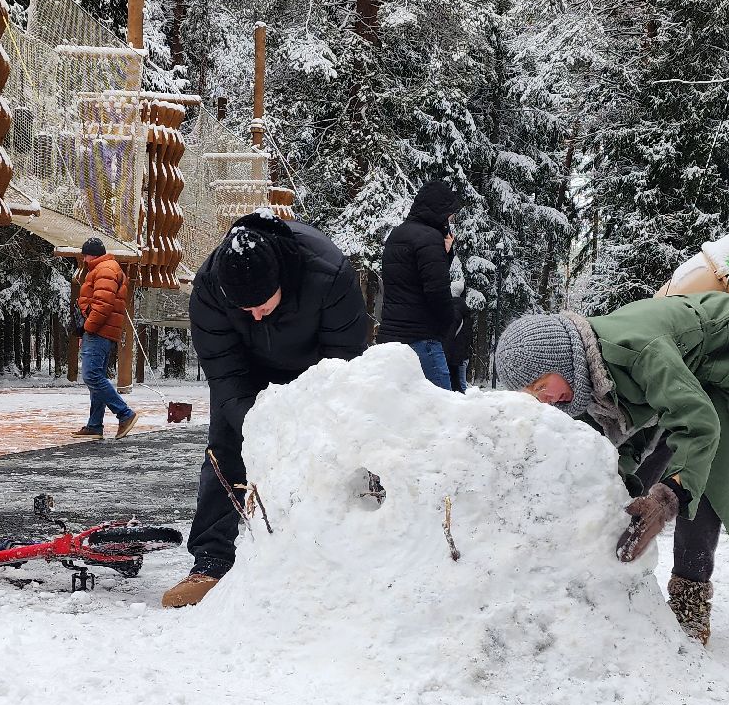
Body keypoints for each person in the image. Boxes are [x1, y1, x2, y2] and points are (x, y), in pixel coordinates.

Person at [492, 292, 729, 647]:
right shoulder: (591, 370)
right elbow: (623, 434)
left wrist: (668, 498)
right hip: (691, 369)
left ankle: (690, 599)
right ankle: (617, 555)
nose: (546, 401)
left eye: (543, 386)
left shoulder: (639, 353)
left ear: (561, 357)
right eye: (534, 396)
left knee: (704, 470)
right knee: (649, 453)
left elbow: (699, 426)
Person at [162, 211, 369, 608]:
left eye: (261, 305)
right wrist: (256, 425)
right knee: (225, 450)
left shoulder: (329, 274)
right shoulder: (209, 289)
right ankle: (211, 561)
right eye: (244, 309)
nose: (255, 315)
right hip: (246, 370)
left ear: (281, 282)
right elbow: (225, 372)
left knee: (324, 452)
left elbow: (343, 364)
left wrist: (307, 422)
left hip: (316, 369)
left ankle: (322, 553)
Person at [377, 179, 462, 389]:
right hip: (422, 338)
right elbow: (437, 289)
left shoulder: (397, 234)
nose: (450, 220)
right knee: (440, 402)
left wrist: (445, 253)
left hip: (391, 336)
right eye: (450, 215)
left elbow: (410, 279)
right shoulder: (430, 238)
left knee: (401, 401)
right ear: (439, 210)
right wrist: (449, 321)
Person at [73, 237, 138, 439]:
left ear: (91, 255)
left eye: (85, 255)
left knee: (91, 375)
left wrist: (88, 328)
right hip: (102, 331)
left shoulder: (105, 269)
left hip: (98, 331)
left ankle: (125, 414)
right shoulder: (105, 268)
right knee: (97, 376)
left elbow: (102, 304)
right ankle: (95, 425)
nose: (84, 259)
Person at [445, 270, 476, 392]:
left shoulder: (454, 310)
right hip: (463, 355)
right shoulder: (464, 309)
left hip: (453, 357)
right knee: (461, 386)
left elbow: (449, 335)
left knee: (456, 387)